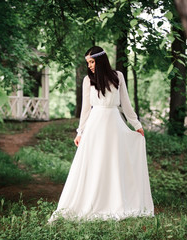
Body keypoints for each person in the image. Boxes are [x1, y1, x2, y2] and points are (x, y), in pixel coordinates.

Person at [48, 46, 154, 222]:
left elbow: (126, 104)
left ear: (100, 60)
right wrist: (80, 132)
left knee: (113, 162)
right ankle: (92, 201)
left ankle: (114, 201)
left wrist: (136, 124)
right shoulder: (87, 81)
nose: (89, 65)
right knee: (95, 162)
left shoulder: (118, 76)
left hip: (114, 124)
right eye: (87, 62)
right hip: (95, 126)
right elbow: (85, 110)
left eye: (91, 61)